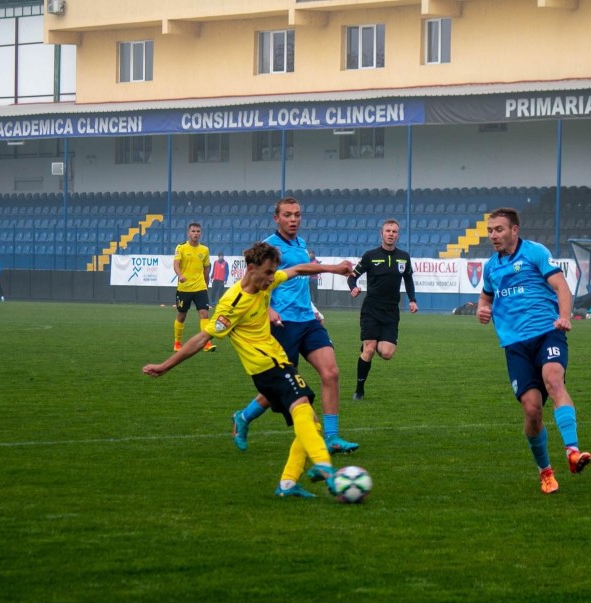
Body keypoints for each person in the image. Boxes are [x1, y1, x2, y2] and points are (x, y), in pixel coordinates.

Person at [143, 243, 356, 498]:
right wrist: (165, 366)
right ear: (251, 269)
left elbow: (298, 269)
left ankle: (287, 484)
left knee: (311, 423)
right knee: (302, 409)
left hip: (275, 365)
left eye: (273, 273)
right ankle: (323, 465)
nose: (271, 279)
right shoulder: (233, 303)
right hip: (268, 367)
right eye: (267, 273)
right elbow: (202, 338)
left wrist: (334, 268)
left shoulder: (266, 283)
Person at [476, 207, 591, 495]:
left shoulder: (535, 252)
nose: (493, 235)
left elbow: (562, 288)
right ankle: (546, 472)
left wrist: (564, 317)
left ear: (514, 230)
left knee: (554, 380)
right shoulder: (491, 267)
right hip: (515, 345)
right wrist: (482, 309)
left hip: (547, 332)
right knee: (532, 410)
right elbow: (485, 297)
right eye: (490, 230)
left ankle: (572, 452)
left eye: (499, 229)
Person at [232, 197, 359, 455]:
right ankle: (244, 417)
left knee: (331, 372)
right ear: (276, 218)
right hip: (283, 324)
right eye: (288, 215)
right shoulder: (268, 247)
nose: (293, 219)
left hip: (307, 321)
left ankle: (332, 437)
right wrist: (268, 309)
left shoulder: (301, 244)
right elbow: (250, 283)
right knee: (284, 386)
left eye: (297, 215)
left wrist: (313, 310)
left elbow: (300, 279)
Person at [347, 218, 418, 401]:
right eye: (388, 231)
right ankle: (359, 391)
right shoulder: (370, 256)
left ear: (398, 235)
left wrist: (412, 300)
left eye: (394, 231)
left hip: (391, 311)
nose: (391, 234)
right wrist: (353, 287)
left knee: (387, 353)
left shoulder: (404, 257)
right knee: (370, 350)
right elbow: (352, 276)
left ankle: (369, 343)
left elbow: (408, 279)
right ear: (381, 234)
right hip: (371, 309)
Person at [172, 222, 215, 352]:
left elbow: (206, 268)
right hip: (184, 288)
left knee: (204, 313)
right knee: (182, 315)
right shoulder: (181, 247)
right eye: (193, 231)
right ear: (188, 233)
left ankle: (206, 343)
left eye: (198, 231)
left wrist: (206, 284)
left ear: (201, 233)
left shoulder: (205, 250)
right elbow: (176, 264)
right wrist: (180, 275)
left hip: (200, 287)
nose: (196, 233)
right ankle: (177, 343)